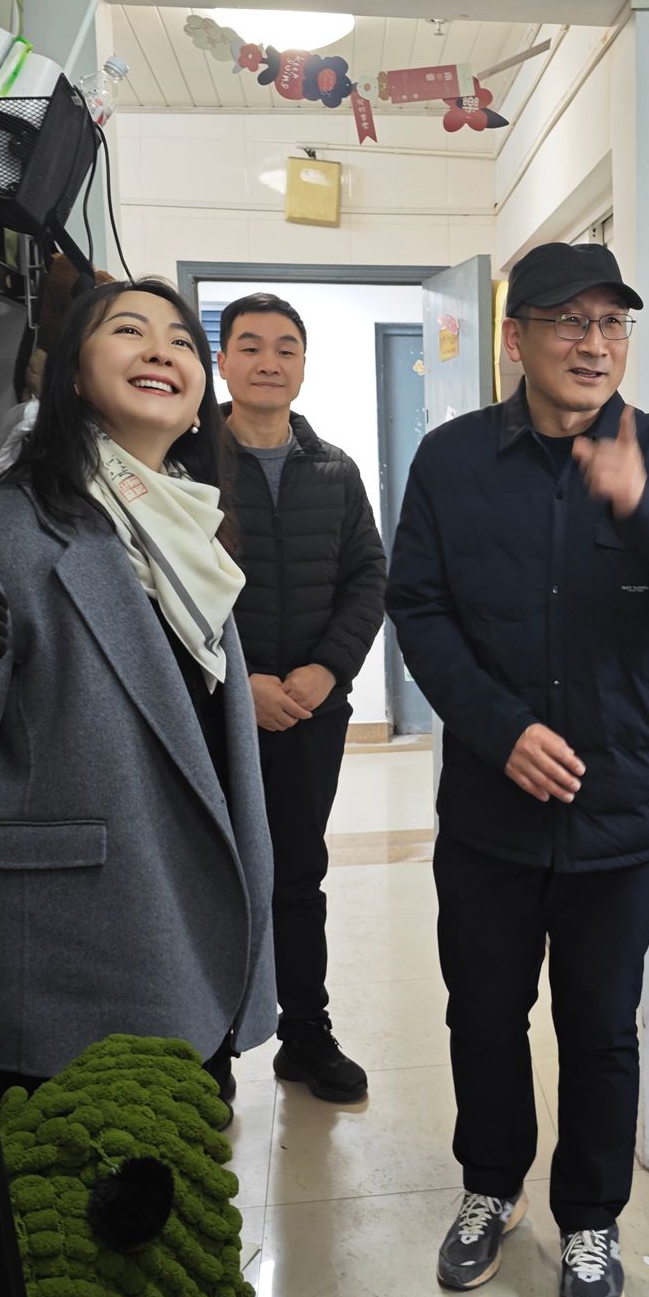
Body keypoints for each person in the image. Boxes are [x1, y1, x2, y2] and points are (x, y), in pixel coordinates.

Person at [386, 242, 649, 1297]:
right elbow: (418, 609)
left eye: (612, 323)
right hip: (491, 813)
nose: (594, 344)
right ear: (515, 338)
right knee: (483, 1015)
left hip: (624, 814)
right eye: (568, 322)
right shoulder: (450, 462)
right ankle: (491, 1187)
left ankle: (591, 1218)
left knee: (599, 1027)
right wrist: (499, 729)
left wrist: (644, 504)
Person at [0, 278, 275, 1106]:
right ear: (74, 378)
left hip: (194, 941)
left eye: (182, 341)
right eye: (128, 330)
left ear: (200, 402)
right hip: (69, 961)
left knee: (182, 1170)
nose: (161, 351)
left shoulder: (194, 537)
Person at [216, 291, 386, 1103]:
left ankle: (306, 1037)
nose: (269, 361)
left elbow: (368, 579)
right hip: (216, 709)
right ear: (222, 362)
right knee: (209, 877)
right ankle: (208, 1053)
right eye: (250, 346)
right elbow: (164, 591)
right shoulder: (185, 466)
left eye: (286, 347)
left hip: (312, 712)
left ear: (304, 365)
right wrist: (234, 680)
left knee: (298, 874)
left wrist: (328, 671)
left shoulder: (335, 471)